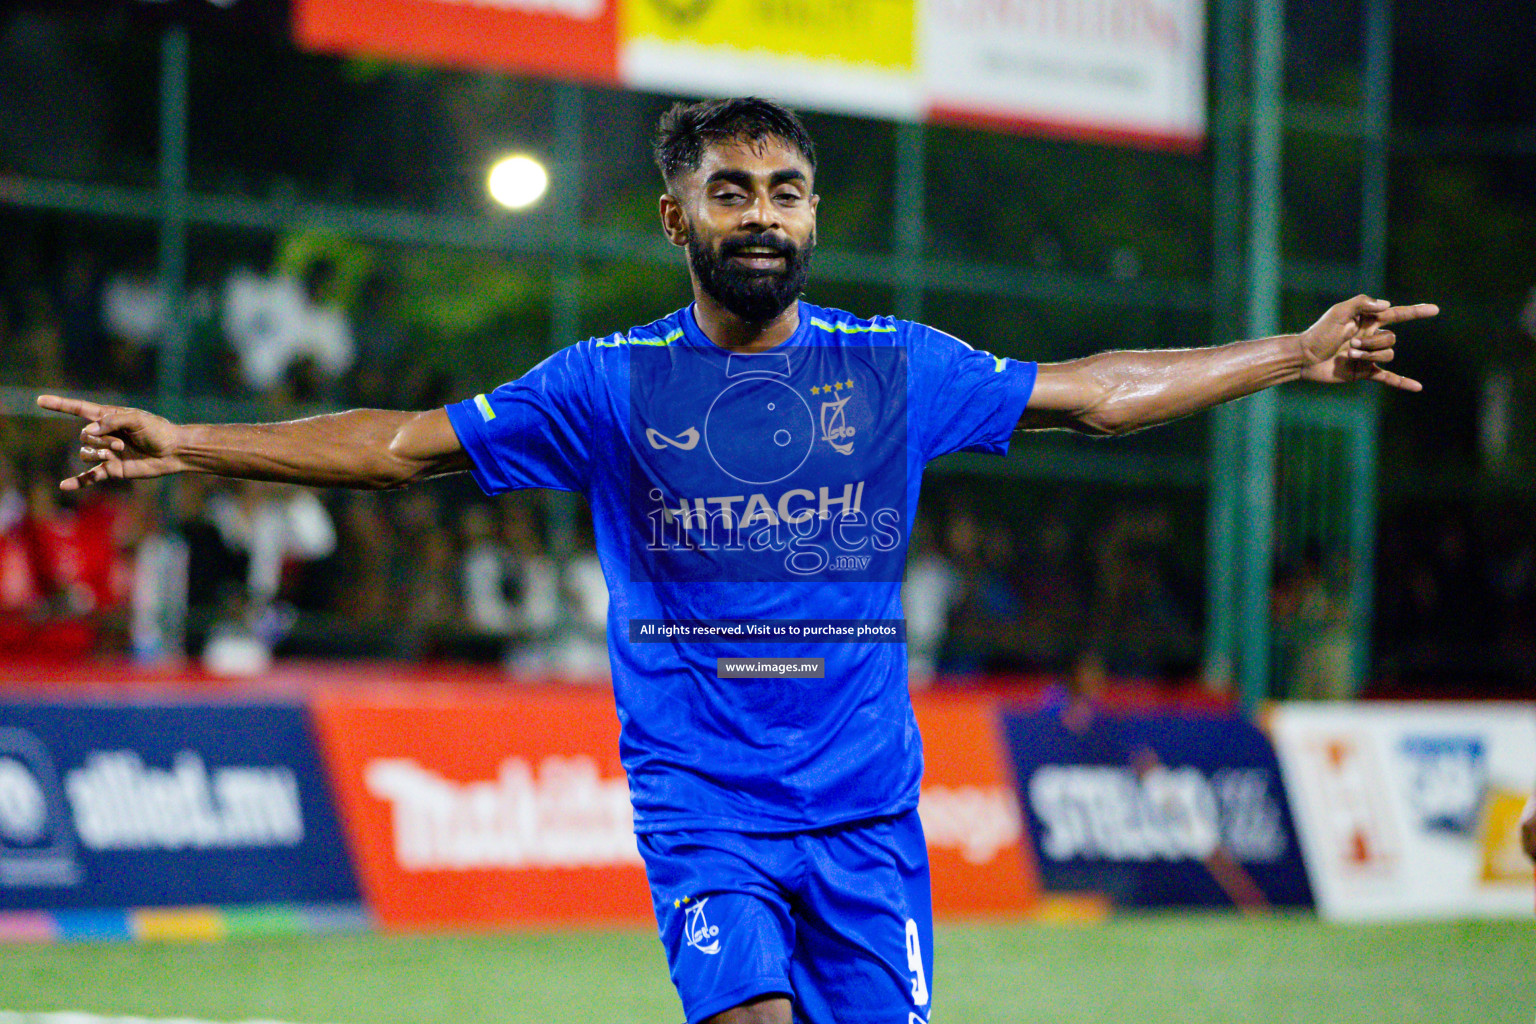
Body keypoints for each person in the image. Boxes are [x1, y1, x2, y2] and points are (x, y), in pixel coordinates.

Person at [37, 97, 1437, 1024]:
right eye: (730, 191)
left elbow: (1096, 388)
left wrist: (1295, 354)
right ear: (678, 220)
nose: (761, 212)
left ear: (813, 217)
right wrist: (195, 445)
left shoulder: (896, 371)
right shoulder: (609, 383)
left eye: (785, 190)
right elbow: (400, 447)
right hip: (708, 811)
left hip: (870, 822)